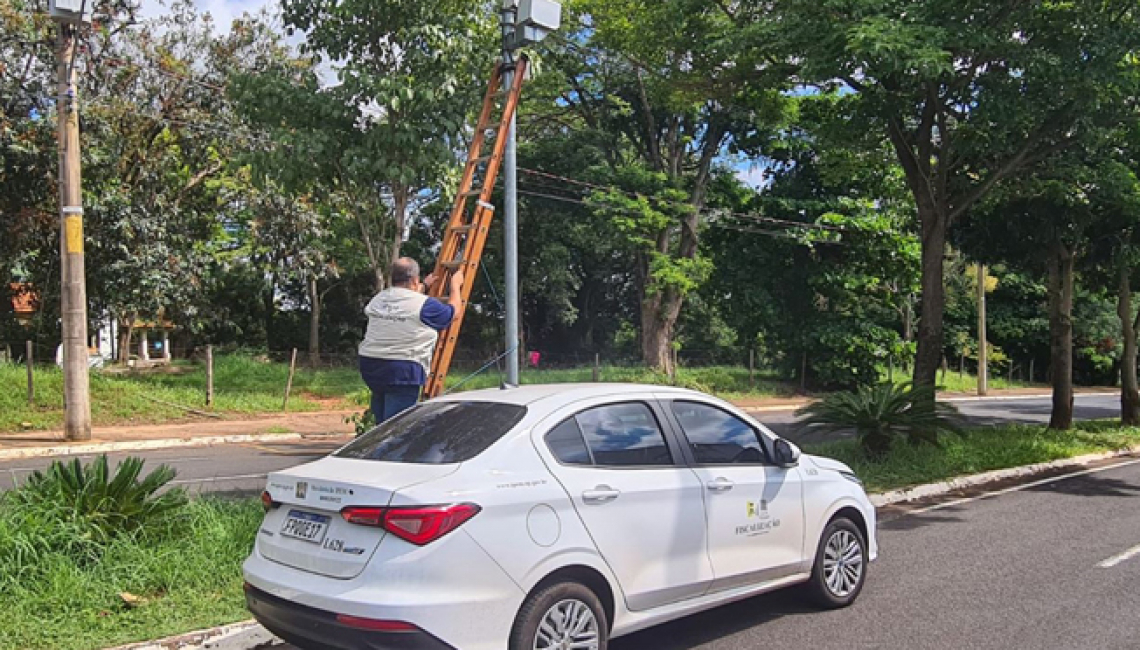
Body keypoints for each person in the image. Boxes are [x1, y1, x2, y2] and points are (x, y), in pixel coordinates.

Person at [359, 258, 464, 423]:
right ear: (414, 280)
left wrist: (425, 286)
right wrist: (455, 286)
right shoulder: (425, 305)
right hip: (402, 371)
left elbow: (404, 300)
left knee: (381, 424)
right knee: (395, 427)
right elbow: (454, 312)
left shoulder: (379, 299)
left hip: (371, 366)